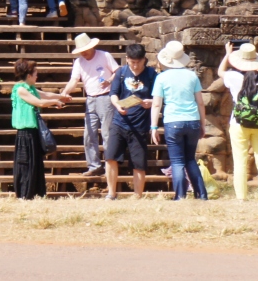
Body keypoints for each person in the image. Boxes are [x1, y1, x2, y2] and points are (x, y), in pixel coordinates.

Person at [150, 40, 208, 200]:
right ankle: (201, 194)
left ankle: (180, 195)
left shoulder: (162, 77)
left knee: (177, 161)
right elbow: (200, 102)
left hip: (173, 121)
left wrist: (154, 127)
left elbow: (156, 104)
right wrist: (202, 124)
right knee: (190, 159)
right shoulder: (192, 76)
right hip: (193, 120)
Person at [218, 41, 258, 202]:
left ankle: (241, 197)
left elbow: (220, 71)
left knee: (240, 161)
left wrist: (227, 54)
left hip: (238, 123)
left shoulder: (233, 76)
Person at [60, 32, 119, 177]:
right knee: (89, 134)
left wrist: (109, 81)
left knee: (107, 134)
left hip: (106, 97)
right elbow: (74, 80)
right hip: (90, 99)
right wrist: (65, 92)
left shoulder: (104, 56)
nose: (84, 53)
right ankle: (94, 165)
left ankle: (110, 166)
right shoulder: (79, 62)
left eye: (85, 50)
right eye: (81, 51)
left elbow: (118, 72)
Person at [10, 58, 68, 200]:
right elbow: (39, 102)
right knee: (26, 163)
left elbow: (44, 95)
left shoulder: (30, 88)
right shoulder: (21, 89)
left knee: (35, 162)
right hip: (25, 132)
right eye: (35, 73)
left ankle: (36, 192)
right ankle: (24, 193)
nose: (37, 76)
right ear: (29, 75)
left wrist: (62, 96)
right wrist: (55, 102)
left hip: (33, 131)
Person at [106, 43, 158, 199]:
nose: (135, 66)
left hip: (140, 125)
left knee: (139, 163)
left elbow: (159, 97)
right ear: (127, 59)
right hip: (119, 122)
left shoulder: (151, 74)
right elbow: (113, 93)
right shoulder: (121, 72)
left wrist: (151, 102)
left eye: (138, 62)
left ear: (144, 60)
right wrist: (117, 105)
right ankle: (111, 193)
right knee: (110, 157)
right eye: (132, 62)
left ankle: (137, 196)